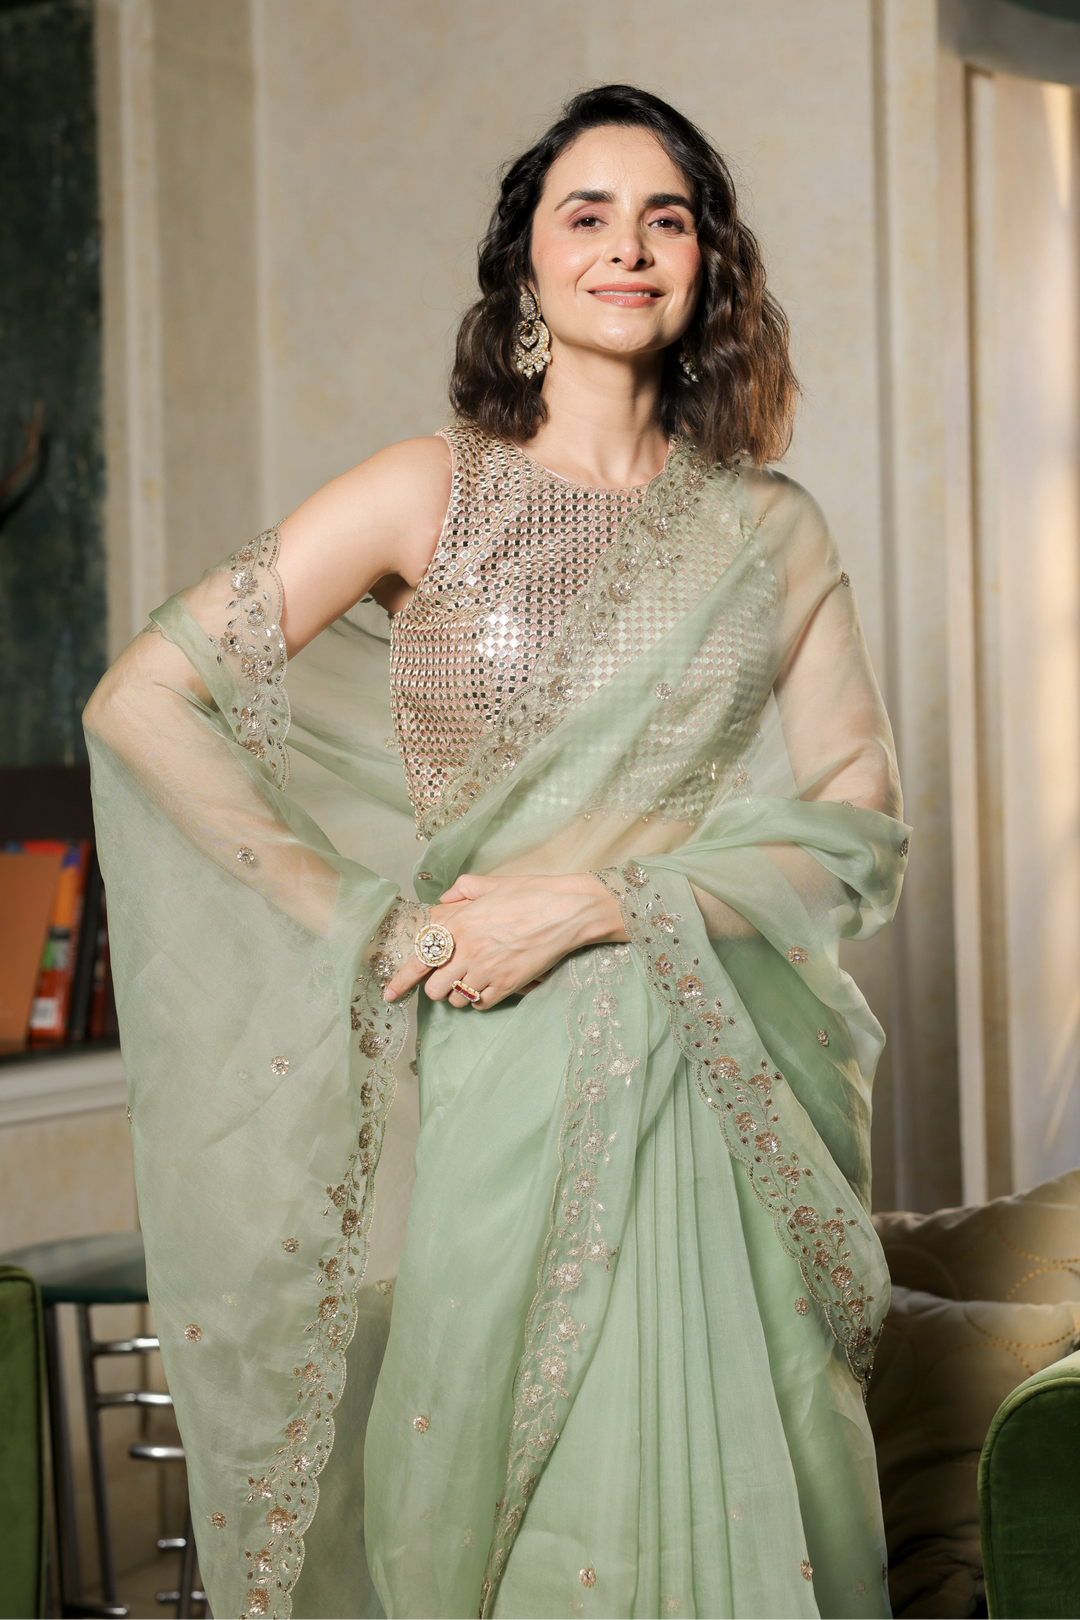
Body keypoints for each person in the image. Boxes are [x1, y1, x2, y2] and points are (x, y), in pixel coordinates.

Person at [85, 83, 908, 1620]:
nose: (627, 248)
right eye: (586, 215)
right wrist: (366, 919)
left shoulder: (773, 532)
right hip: (502, 1073)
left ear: (710, 266)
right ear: (525, 263)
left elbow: (860, 822)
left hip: (719, 1075)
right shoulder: (428, 492)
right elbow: (144, 701)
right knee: (496, 1502)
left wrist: (602, 904)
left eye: (667, 219)